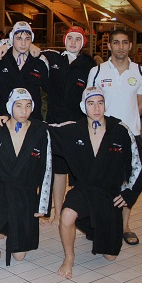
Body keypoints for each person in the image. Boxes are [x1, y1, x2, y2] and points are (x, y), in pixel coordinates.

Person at [49, 87, 142, 279]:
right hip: (84, 189)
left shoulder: (120, 130)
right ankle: (69, 257)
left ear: (105, 105)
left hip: (108, 194)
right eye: (91, 103)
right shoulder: (73, 129)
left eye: (100, 103)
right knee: (67, 216)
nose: (96, 108)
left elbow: (137, 165)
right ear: (84, 107)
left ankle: (94, 228)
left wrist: (128, 193)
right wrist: (8, 121)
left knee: (110, 256)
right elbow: (42, 130)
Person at [0, 88, 52, 271]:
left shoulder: (41, 131)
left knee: (19, 256)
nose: (24, 111)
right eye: (19, 106)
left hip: (25, 194)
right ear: (10, 107)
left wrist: (43, 205)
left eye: (28, 106)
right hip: (1, 190)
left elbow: (47, 169)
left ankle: (8, 226)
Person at [87, 29, 142, 246]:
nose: (120, 47)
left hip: (131, 136)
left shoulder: (141, 72)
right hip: (102, 137)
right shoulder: (97, 71)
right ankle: (98, 223)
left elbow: (140, 104)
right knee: (100, 181)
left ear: (130, 46)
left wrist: (125, 129)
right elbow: (91, 104)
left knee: (129, 182)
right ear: (109, 46)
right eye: (116, 42)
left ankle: (125, 226)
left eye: (124, 42)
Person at [40, 26, 96, 225]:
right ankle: (57, 212)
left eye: (77, 39)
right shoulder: (53, 59)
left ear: (83, 43)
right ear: (64, 40)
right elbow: (30, 50)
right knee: (58, 170)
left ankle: (80, 211)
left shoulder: (90, 65)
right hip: (54, 123)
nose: (73, 42)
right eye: (70, 38)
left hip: (78, 125)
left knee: (81, 171)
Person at [0, 22, 50, 121]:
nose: (23, 43)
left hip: (33, 121)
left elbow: (51, 89)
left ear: (31, 40)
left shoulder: (39, 62)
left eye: (27, 39)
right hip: (4, 120)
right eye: (19, 39)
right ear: (12, 38)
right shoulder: (0, 59)